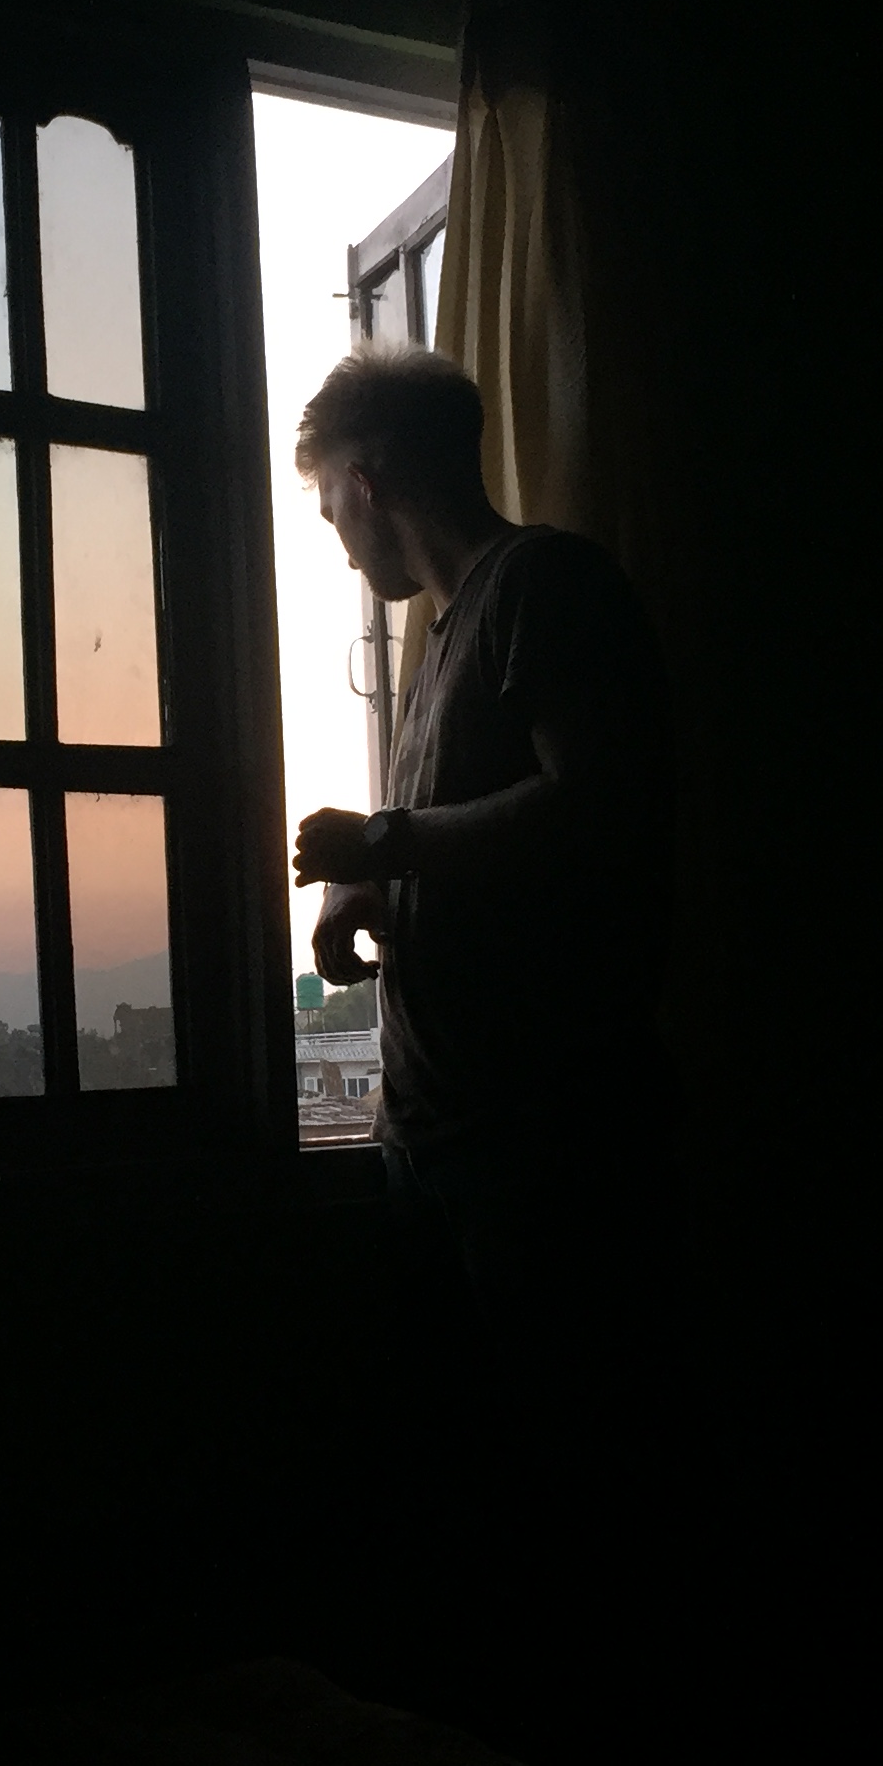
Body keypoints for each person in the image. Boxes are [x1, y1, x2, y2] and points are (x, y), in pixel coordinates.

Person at [290, 343, 672, 1497]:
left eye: (330, 509)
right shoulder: (447, 636)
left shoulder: (544, 585)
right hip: (441, 1136)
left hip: (536, 1144)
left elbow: (598, 805)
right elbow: (471, 827)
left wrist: (383, 844)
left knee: (558, 1469)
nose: (337, 541)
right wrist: (369, 887)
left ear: (368, 483)